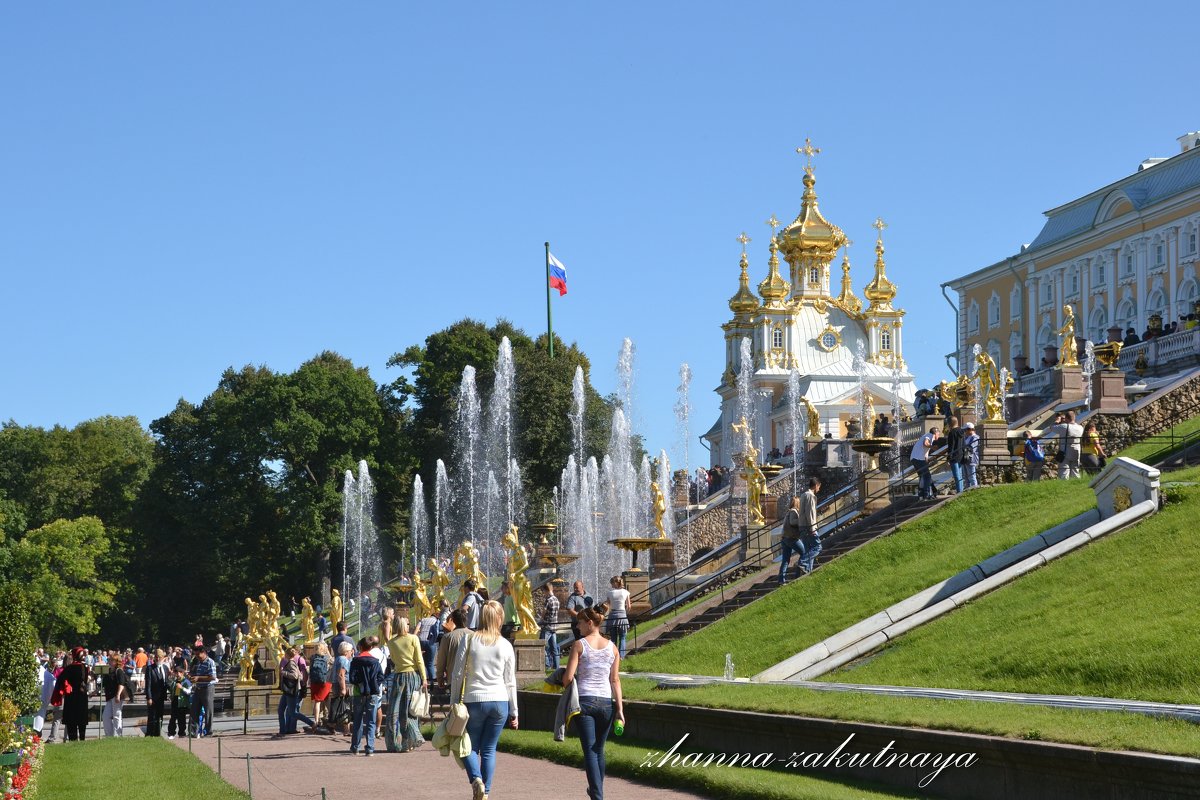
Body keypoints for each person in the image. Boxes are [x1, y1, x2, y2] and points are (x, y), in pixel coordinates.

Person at [450, 601, 518, 800]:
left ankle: (476, 780)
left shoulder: (469, 640)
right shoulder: (505, 645)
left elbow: (457, 673)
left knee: (467, 745)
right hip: (499, 701)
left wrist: (454, 700)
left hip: (474, 700)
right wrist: (514, 711)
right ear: (499, 619)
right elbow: (510, 681)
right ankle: (485, 792)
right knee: (489, 749)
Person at [563, 606, 624, 800]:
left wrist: (562, 679)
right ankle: (597, 790)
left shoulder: (579, 645)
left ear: (590, 623)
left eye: (580, 622)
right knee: (599, 749)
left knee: (590, 750)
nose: (577, 626)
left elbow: (568, 678)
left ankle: (597, 795)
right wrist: (620, 709)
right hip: (607, 703)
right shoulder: (613, 648)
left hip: (586, 701)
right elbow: (615, 680)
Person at [384, 615, 427, 752]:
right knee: (411, 709)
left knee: (396, 710)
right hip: (413, 675)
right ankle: (412, 740)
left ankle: (396, 742)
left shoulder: (391, 642)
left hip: (398, 677)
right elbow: (419, 660)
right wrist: (424, 678)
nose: (409, 626)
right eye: (407, 624)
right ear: (403, 625)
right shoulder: (413, 638)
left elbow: (394, 660)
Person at [348, 637, 385, 755]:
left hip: (359, 693)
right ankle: (370, 748)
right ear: (371, 647)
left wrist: (360, 684)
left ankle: (355, 746)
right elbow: (381, 676)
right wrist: (374, 684)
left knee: (358, 720)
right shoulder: (375, 661)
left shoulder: (355, 660)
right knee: (371, 721)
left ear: (360, 647)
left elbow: (352, 678)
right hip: (373, 693)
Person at [54, 648, 90, 741]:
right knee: (81, 719)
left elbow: (60, 679)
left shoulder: (70, 668)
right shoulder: (85, 667)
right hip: (82, 695)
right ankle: (82, 738)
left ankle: (73, 739)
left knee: (72, 720)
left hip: (72, 696)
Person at [434, 609, 471, 686]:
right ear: (466, 619)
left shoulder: (448, 637)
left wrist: (440, 678)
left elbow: (441, 659)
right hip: (471, 680)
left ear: (453, 620)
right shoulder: (474, 636)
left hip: (453, 680)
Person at [1045, 410, 1084, 479]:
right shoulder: (1080, 428)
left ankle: (1065, 486)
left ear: (1066, 418)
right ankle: (1075, 485)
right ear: (1074, 418)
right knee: (1075, 471)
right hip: (1076, 452)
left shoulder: (1064, 426)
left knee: (1064, 472)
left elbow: (1052, 427)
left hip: (1065, 452)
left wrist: (1057, 421)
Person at [189, 645, 217, 736]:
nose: (196, 656)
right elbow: (194, 673)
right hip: (198, 688)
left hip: (207, 689)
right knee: (194, 710)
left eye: (198, 654)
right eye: (195, 654)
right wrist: (191, 677)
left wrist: (198, 678)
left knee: (208, 711)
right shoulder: (198, 662)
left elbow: (213, 677)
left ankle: (208, 732)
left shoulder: (210, 662)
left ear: (204, 653)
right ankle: (193, 732)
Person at [101, 654, 132, 736]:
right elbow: (103, 684)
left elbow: (121, 684)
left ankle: (117, 735)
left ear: (116, 662)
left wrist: (118, 694)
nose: (110, 661)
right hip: (110, 696)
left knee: (117, 715)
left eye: (112, 660)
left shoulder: (119, 671)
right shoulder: (108, 671)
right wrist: (95, 691)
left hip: (116, 696)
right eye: (110, 660)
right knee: (105, 716)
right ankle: (109, 735)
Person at [777, 495, 805, 585]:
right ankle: (798, 573)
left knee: (785, 560)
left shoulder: (788, 512)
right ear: (797, 503)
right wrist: (802, 519)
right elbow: (793, 522)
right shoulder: (793, 511)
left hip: (785, 538)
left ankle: (781, 580)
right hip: (792, 538)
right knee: (804, 553)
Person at [327, 641, 354, 735]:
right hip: (344, 684)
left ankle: (332, 725)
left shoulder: (338, 658)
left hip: (335, 684)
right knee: (345, 706)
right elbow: (341, 675)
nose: (352, 652)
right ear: (346, 651)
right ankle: (346, 730)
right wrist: (343, 688)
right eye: (350, 651)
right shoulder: (345, 660)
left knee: (337, 705)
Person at [797, 477, 822, 574]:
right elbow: (810, 513)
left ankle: (807, 571)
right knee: (817, 547)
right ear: (816, 485)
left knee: (808, 550)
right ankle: (803, 563)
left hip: (802, 526)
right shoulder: (811, 496)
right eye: (819, 487)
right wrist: (813, 528)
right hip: (809, 527)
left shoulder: (803, 495)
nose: (819, 489)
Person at [603, 576, 630, 659]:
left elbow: (607, 606)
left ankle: (613, 656)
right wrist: (625, 614)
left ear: (615, 583)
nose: (611, 585)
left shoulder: (610, 593)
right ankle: (621, 656)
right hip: (622, 614)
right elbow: (629, 606)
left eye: (612, 583)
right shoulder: (626, 592)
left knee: (613, 637)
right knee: (622, 637)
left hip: (612, 615)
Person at [308, 642, 333, 732]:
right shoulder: (327, 658)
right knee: (327, 699)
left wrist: (309, 681)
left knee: (317, 701)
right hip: (326, 681)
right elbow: (333, 664)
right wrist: (329, 653)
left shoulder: (312, 657)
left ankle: (316, 721)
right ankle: (332, 718)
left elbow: (310, 669)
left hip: (315, 681)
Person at [145, 649, 171, 737]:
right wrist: (149, 698)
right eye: (156, 657)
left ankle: (158, 733)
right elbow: (148, 684)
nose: (157, 659)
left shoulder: (165, 668)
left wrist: (173, 690)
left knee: (160, 715)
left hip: (162, 696)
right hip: (153, 696)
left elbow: (167, 682)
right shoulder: (150, 668)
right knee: (152, 716)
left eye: (159, 657)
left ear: (163, 658)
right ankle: (149, 733)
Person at [910, 426, 940, 500]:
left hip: (914, 459)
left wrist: (926, 459)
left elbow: (924, 450)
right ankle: (926, 495)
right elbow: (925, 443)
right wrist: (932, 447)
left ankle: (921, 494)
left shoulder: (926, 435)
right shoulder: (929, 435)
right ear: (936, 433)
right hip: (919, 459)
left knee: (922, 476)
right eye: (938, 434)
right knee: (927, 477)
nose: (939, 436)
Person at [415, 609, 441, 682]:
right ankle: (432, 680)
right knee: (430, 663)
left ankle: (423, 679)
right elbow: (438, 632)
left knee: (422, 661)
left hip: (421, 641)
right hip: (431, 642)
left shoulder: (423, 620)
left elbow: (416, 630)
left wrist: (413, 638)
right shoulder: (437, 621)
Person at [167, 665, 191, 739]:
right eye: (176, 672)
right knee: (173, 718)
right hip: (175, 701)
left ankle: (181, 733)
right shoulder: (174, 681)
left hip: (182, 702)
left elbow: (189, 692)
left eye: (179, 672)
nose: (177, 674)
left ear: (182, 673)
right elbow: (171, 690)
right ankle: (171, 733)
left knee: (181, 719)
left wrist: (182, 688)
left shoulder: (186, 681)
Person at [540, 588, 561, 670]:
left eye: (544, 592)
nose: (544, 594)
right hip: (554, 626)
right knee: (554, 648)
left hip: (547, 626)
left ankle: (547, 665)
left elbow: (544, 612)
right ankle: (556, 666)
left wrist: (541, 620)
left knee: (542, 645)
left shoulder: (548, 600)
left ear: (547, 590)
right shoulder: (556, 600)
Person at [945, 416, 966, 494]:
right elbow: (964, 444)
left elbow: (951, 446)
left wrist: (948, 458)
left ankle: (959, 492)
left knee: (956, 475)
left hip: (954, 456)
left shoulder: (952, 432)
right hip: (961, 455)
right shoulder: (962, 431)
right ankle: (961, 490)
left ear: (950, 423)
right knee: (960, 475)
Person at [962, 422, 981, 490]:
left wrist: (963, 448)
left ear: (970, 429)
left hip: (971, 459)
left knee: (972, 477)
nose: (964, 432)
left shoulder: (975, 437)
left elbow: (972, 448)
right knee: (966, 477)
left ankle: (975, 490)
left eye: (965, 430)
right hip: (965, 458)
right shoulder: (967, 437)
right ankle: (967, 491)